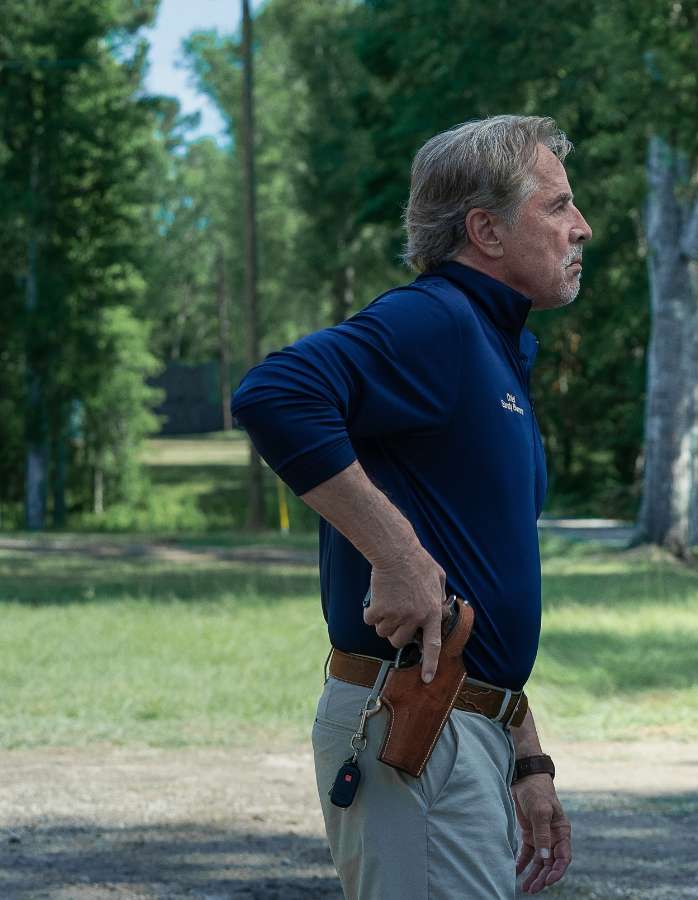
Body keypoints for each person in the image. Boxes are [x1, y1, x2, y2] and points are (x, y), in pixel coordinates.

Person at [232, 114, 591, 898]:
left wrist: (524, 749)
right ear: (485, 231)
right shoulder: (436, 318)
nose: (582, 227)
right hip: (415, 728)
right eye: (558, 206)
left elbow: (477, 569)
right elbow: (274, 393)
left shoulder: (497, 344)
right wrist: (397, 556)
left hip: (464, 725)